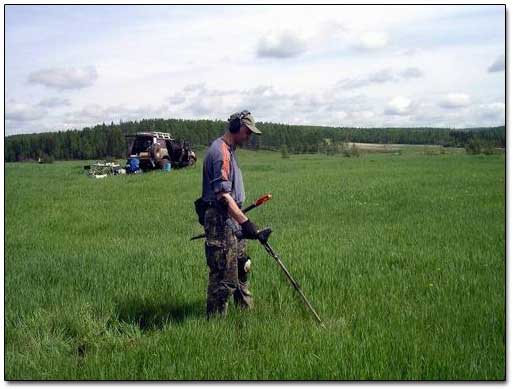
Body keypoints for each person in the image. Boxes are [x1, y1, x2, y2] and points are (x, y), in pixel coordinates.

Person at [200, 110, 263, 318]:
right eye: (247, 132)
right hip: (221, 221)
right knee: (223, 277)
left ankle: (246, 314)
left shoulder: (229, 150)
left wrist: (242, 224)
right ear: (236, 127)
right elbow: (223, 197)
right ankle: (215, 326)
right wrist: (246, 223)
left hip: (231, 221)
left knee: (241, 266)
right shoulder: (220, 153)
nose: (249, 137)